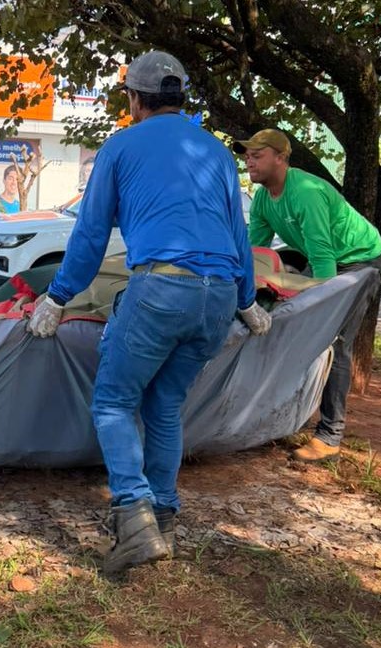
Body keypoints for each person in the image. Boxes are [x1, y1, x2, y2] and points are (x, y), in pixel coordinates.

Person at [27, 51, 271, 574]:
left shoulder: (120, 147)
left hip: (163, 288)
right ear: (181, 98)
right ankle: (164, 520)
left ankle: (132, 519)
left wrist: (57, 297)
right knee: (164, 406)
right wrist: (248, 302)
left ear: (134, 100)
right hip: (219, 297)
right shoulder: (216, 153)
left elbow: (91, 234)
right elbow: (236, 235)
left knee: (114, 403)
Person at [233, 129, 381, 464]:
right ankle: (286, 416)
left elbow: (323, 264)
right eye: (247, 155)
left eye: (257, 155)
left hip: (359, 262)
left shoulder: (305, 192)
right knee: (292, 328)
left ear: (281, 158)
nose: (249, 161)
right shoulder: (261, 199)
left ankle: (330, 437)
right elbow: (253, 253)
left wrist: (317, 308)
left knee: (334, 341)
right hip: (331, 261)